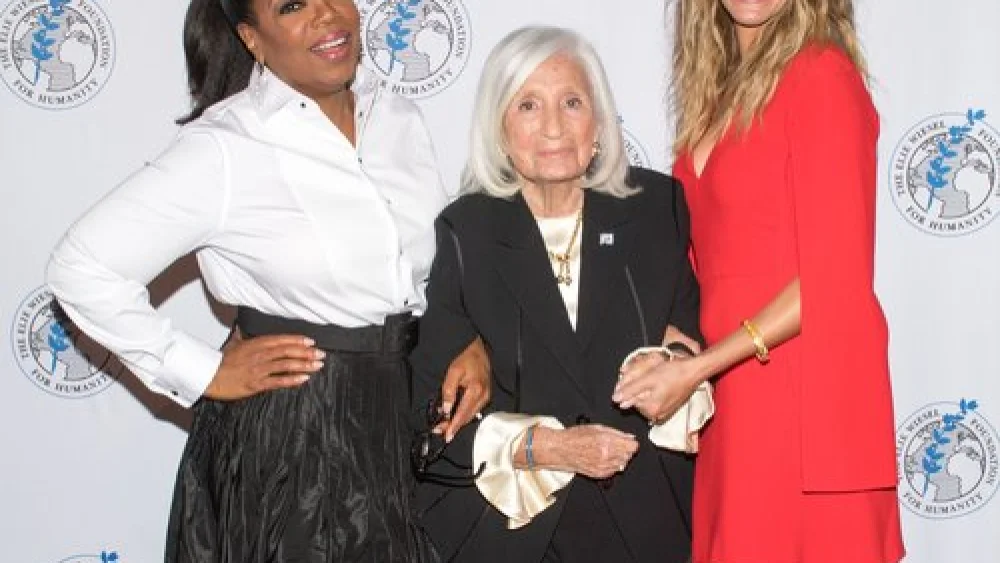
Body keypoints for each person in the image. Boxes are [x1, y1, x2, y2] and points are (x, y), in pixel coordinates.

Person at [45, 0, 489, 561]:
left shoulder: (397, 115)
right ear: (252, 39)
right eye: (292, 6)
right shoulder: (227, 145)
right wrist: (203, 370)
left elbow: (418, 270)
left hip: (406, 417)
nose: (327, 14)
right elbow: (81, 266)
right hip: (296, 441)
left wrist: (460, 336)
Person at [612, 1, 905, 561]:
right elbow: (708, 266)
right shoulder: (717, 93)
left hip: (807, 402)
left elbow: (833, 276)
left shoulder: (821, 75)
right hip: (732, 401)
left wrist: (699, 367)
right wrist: (677, 352)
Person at [408, 26, 704, 563]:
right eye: (527, 105)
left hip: (645, 522)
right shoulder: (465, 233)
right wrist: (552, 449)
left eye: (572, 102)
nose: (553, 127)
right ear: (499, 129)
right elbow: (434, 422)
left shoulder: (656, 209)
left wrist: (678, 364)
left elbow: (691, 345)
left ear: (599, 122)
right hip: (518, 533)